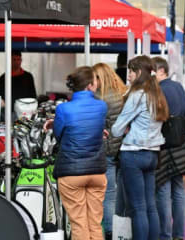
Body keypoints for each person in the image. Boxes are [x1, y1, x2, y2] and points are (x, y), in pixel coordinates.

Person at [44, 66, 108, 240]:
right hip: (97, 171)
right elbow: (93, 127)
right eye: (95, 80)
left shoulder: (63, 109)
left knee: (79, 224)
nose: (97, 83)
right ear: (89, 85)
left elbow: (59, 136)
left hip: (71, 172)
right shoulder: (101, 106)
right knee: (95, 223)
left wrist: (54, 122)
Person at [111, 55, 169, 240]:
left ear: (139, 73)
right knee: (150, 205)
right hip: (152, 154)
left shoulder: (137, 95)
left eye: (131, 71)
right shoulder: (157, 94)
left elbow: (116, 129)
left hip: (133, 154)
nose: (128, 75)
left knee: (138, 207)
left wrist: (126, 128)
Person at [151, 56, 185, 240]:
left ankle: (164, 234)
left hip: (163, 144)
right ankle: (178, 234)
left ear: (161, 71)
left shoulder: (158, 91)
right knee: (178, 189)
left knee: (163, 190)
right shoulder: (179, 88)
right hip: (180, 144)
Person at [91, 63, 127, 240]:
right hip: (121, 148)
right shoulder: (122, 93)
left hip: (105, 149)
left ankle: (109, 231)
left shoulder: (99, 99)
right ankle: (118, 231)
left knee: (106, 195)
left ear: (100, 78)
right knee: (116, 194)